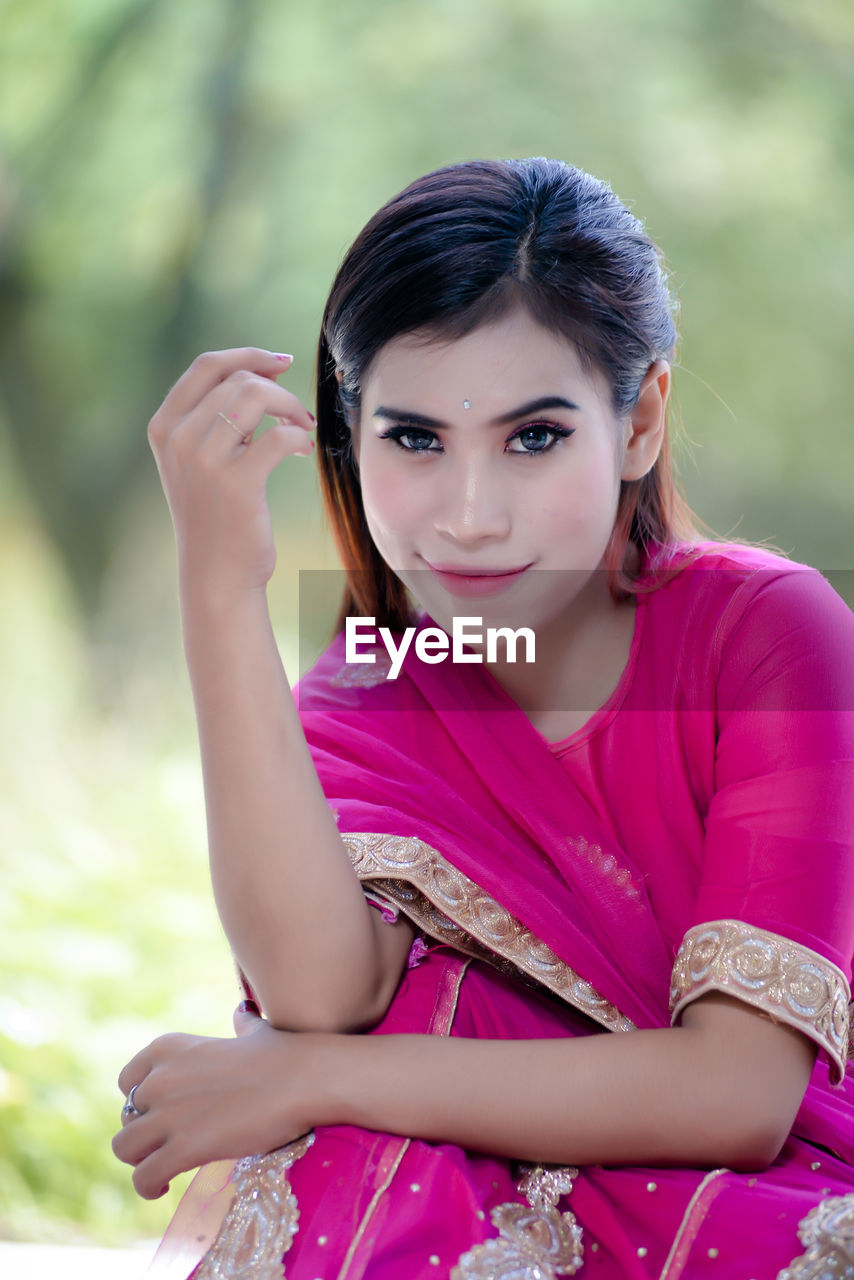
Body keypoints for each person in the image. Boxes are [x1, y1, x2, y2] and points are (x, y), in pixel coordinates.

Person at [112, 158, 854, 1279]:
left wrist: (314, 1078)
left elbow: (737, 1094)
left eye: (533, 436)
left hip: (748, 1189)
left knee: (346, 1118)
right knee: (359, 1160)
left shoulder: (768, 631)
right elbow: (320, 992)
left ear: (641, 420)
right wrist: (218, 586)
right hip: (486, 1182)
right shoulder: (379, 676)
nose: (467, 516)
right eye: (413, 439)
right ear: (348, 441)